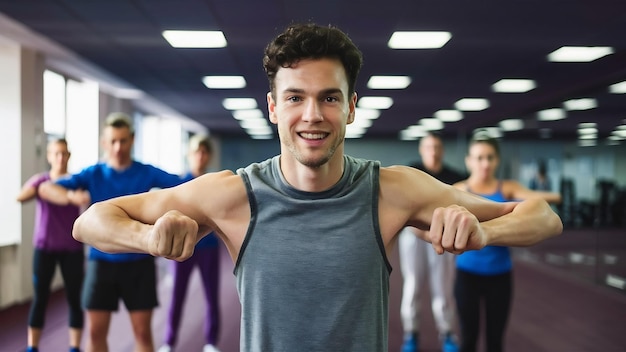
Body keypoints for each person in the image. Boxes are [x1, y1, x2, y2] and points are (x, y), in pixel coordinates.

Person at [71, 23, 563, 352]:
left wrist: (485, 233)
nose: (312, 115)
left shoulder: (392, 190)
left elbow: (543, 215)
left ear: (351, 107)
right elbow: (90, 220)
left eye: (329, 98)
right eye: (295, 98)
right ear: (272, 107)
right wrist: (146, 238)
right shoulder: (231, 195)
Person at [39, 113, 186, 352]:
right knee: (96, 333)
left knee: (142, 332)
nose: (118, 147)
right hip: (102, 263)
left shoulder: (146, 172)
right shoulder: (93, 174)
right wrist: (70, 196)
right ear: (104, 142)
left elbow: (184, 186)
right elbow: (47, 187)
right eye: (113, 141)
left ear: (132, 140)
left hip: (139, 262)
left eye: (123, 141)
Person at [452, 132, 561, 352]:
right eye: (479, 157)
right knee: (468, 339)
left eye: (490, 157)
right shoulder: (458, 190)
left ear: (497, 159)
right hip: (467, 276)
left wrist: (538, 200)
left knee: (495, 341)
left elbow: (544, 201)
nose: (485, 163)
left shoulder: (508, 188)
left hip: (500, 277)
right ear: (469, 161)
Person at [16, 138, 87, 352]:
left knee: (74, 299)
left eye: (64, 154)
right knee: (40, 298)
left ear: (69, 156)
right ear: (49, 156)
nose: (60, 158)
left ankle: (74, 347)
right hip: (44, 249)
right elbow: (20, 197)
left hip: (71, 250)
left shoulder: (76, 182)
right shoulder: (41, 181)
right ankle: (32, 347)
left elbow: (84, 198)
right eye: (56, 153)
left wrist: (66, 195)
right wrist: (40, 188)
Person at [399, 132, 466, 352]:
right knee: (413, 286)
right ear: (422, 150)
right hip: (414, 236)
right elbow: (404, 210)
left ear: (442, 150)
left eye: (437, 147)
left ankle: (447, 334)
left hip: (442, 238)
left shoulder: (453, 177)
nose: (433, 151)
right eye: (428, 147)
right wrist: (424, 233)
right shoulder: (412, 173)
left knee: (444, 288)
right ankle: (411, 334)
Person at [158, 135, 221, 352]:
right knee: (177, 296)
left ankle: (211, 342)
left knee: (212, 295)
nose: (200, 157)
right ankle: (168, 342)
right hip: (181, 248)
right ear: (189, 155)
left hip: (208, 248)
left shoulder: (214, 184)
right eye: (196, 152)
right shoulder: (178, 183)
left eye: (204, 152)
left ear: (209, 156)